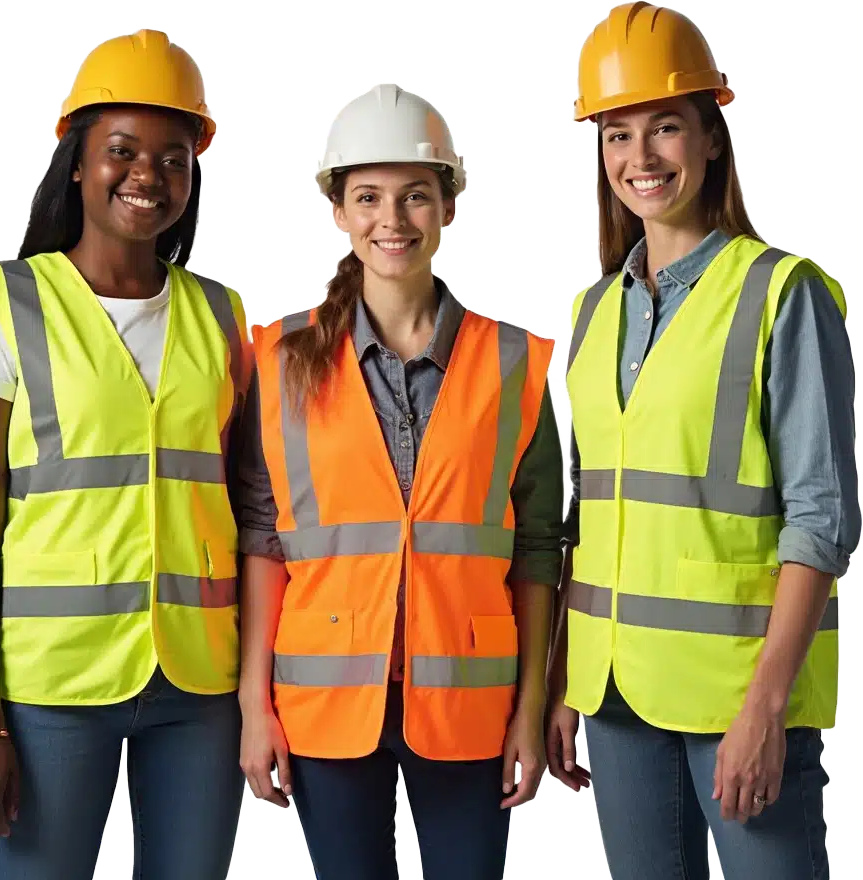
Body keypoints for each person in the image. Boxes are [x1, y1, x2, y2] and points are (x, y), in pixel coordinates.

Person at [544, 3, 861, 879]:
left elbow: (823, 518)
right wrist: (568, 681)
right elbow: (591, 512)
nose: (639, 159)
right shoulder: (595, 308)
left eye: (665, 128)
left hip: (737, 698)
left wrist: (765, 708)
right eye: (616, 135)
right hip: (614, 696)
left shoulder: (782, 294)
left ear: (712, 137)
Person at [0, 29, 251, 880]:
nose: (148, 175)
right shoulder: (4, 304)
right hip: (53, 687)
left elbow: (250, 510)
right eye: (123, 150)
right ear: (77, 162)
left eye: (175, 157)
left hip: (197, 682)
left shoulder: (222, 320)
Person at [235, 81, 565, 880]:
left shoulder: (513, 364)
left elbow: (539, 553)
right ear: (340, 212)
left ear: (449, 205)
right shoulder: (277, 362)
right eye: (370, 197)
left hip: (469, 706)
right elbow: (262, 539)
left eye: (417, 196)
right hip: (323, 706)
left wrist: (530, 710)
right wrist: (253, 706)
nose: (393, 220)